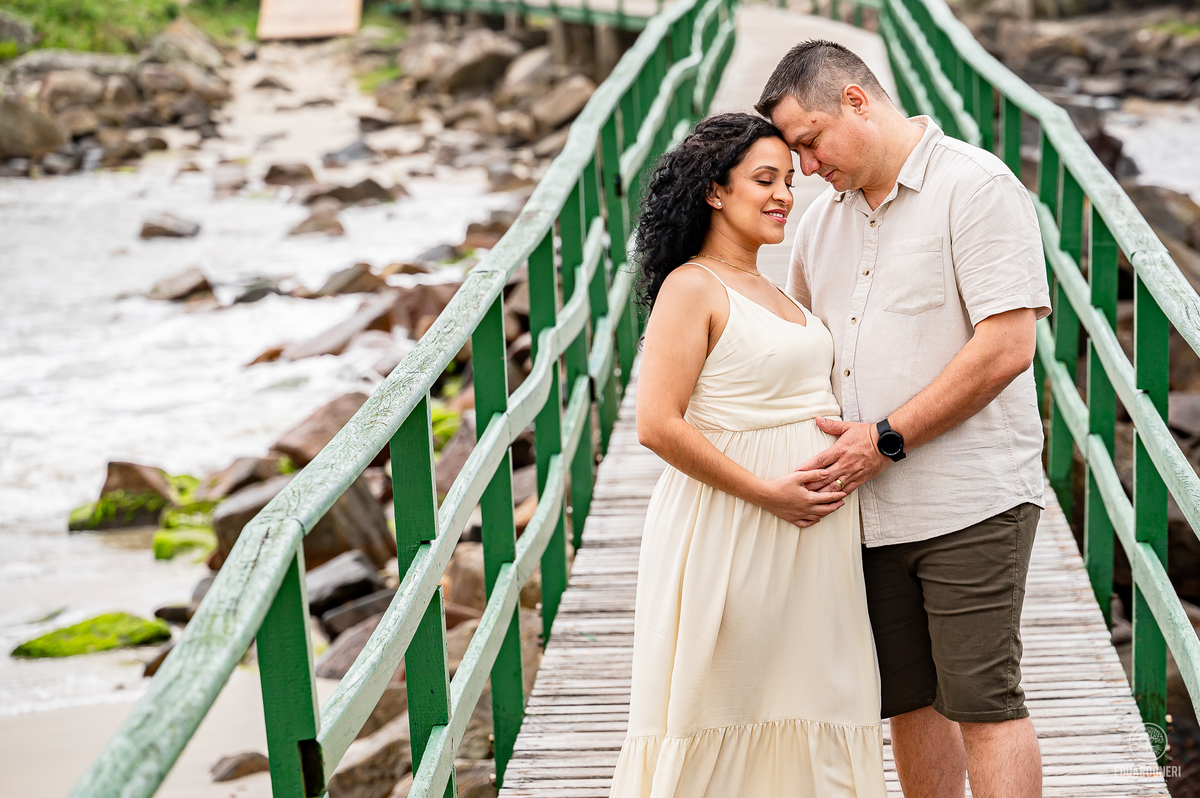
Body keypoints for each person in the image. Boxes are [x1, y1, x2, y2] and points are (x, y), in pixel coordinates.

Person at [757, 40, 1051, 798]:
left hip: (971, 500)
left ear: (857, 100)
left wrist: (885, 439)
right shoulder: (821, 225)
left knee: (985, 706)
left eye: (811, 143)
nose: (809, 168)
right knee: (907, 705)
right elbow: (801, 352)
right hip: (866, 514)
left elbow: (1007, 347)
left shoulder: (976, 188)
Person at [608, 113, 888, 798]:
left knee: (823, 701)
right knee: (726, 705)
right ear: (713, 190)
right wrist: (768, 493)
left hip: (814, 540)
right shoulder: (692, 287)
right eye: (764, 180)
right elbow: (656, 425)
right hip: (732, 528)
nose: (784, 196)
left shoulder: (779, 288)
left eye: (790, 181)